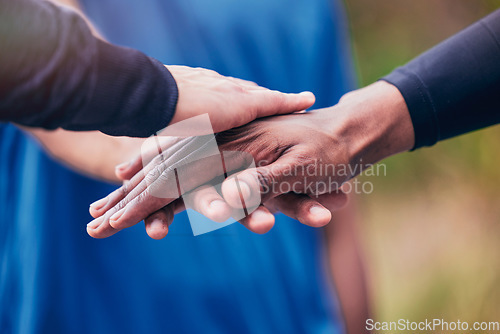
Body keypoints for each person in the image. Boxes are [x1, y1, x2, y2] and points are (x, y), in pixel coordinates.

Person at [0, 0, 369, 333]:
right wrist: (160, 113)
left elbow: (332, 192)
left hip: (289, 315)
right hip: (98, 312)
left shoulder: (308, 8)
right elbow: (47, 74)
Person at [91, 8, 500, 236]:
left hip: (287, 298)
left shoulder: (310, 10)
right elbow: (46, 78)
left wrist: (346, 131)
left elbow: (330, 174)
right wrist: (174, 150)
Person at [0, 0, 314, 136]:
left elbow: (337, 217)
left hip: (286, 260)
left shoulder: (305, 9)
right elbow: (50, 87)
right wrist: (154, 94)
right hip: (107, 263)